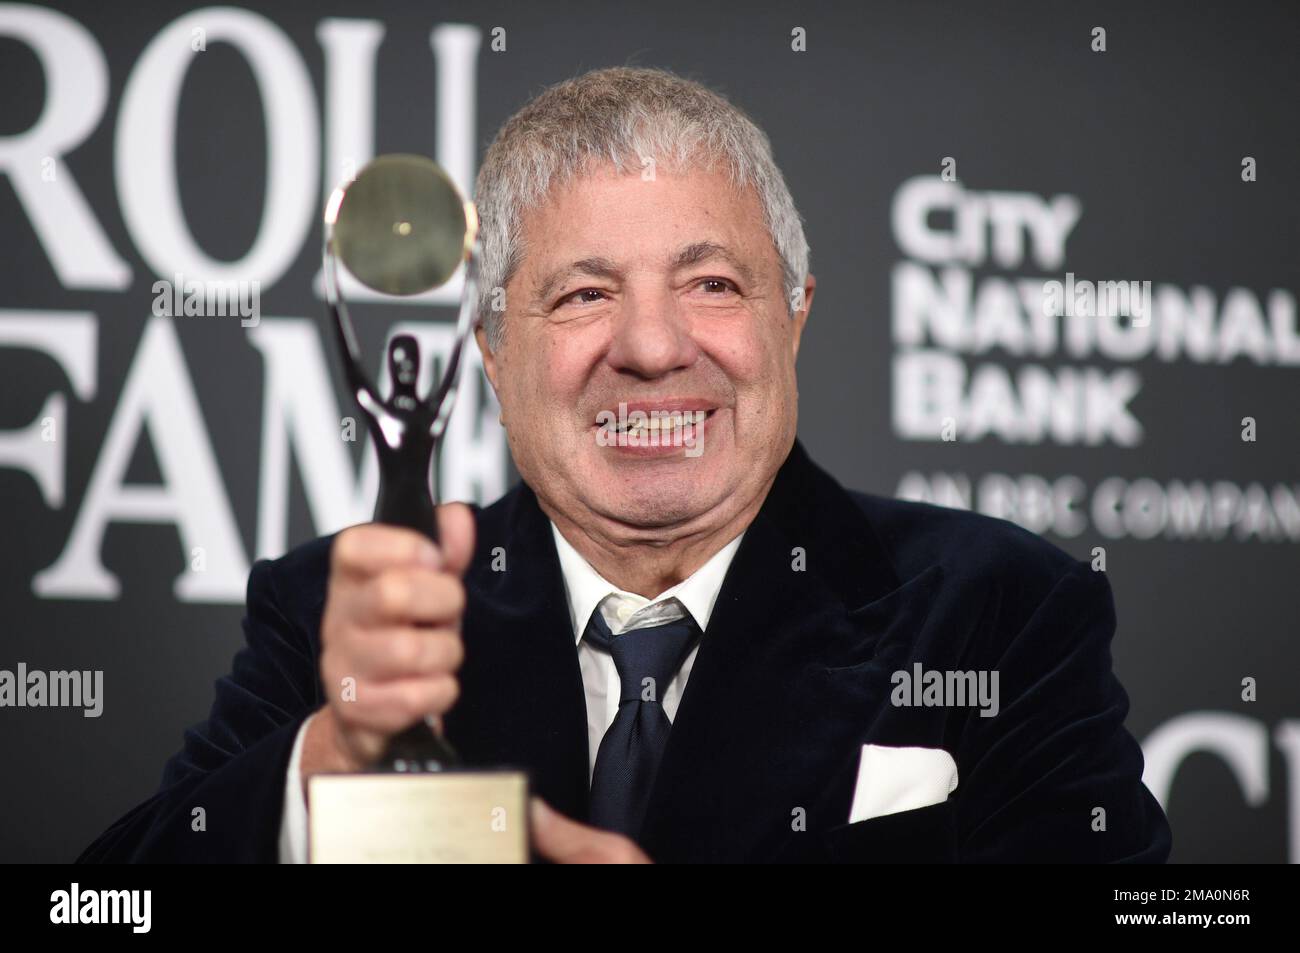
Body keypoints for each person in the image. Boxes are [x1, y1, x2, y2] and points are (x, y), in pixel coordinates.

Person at [80, 66, 1170, 864]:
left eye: (711, 284)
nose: (651, 347)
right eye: (584, 293)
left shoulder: (1001, 613)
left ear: (793, 317)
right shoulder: (344, 616)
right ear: (492, 353)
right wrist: (327, 765)